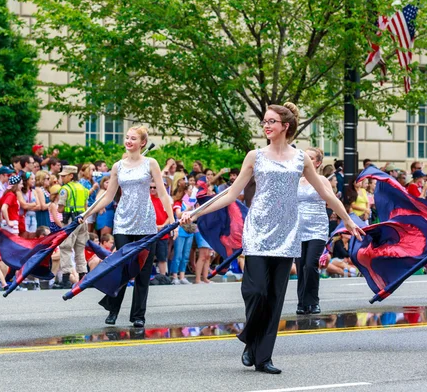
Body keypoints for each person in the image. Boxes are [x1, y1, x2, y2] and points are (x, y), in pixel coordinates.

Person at [181, 102, 363, 374]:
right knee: (255, 290)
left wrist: (348, 220)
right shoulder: (254, 156)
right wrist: (195, 213)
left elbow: (326, 195)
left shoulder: (300, 159)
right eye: (265, 121)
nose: (266, 125)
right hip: (257, 230)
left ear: (285, 126)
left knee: (275, 297)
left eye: (272, 121)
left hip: (288, 231)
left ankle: (263, 357)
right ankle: (250, 339)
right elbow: (232, 193)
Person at [82, 126, 176, 328]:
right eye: (127, 137)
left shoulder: (151, 163)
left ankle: (138, 315)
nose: (128, 141)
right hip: (123, 222)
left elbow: (162, 193)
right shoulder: (118, 166)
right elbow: (108, 197)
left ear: (142, 142)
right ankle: (113, 309)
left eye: (133, 138)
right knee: (122, 268)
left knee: (142, 271)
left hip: (146, 222)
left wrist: (171, 220)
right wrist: (86, 213)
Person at [296, 147, 329, 315]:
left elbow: (331, 201)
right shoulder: (296, 180)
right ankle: (302, 302)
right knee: (300, 265)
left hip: (317, 228)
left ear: (317, 163)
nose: (304, 160)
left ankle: (313, 301)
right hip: (298, 228)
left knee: (310, 265)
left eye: (309, 157)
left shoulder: (321, 180)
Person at [57, 165, 90, 288]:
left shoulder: (65, 189)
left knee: (65, 248)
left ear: (71, 176)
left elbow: (60, 209)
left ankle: (65, 279)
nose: (61, 178)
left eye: (63, 176)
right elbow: (86, 207)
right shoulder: (83, 188)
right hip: (82, 221)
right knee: (80, 249)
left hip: (70, 221)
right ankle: (83, 277)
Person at [150, 181, 170, 276]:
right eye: (151, 187)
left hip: (162, 233)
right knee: (148, 257)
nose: (152, 189)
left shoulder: (165, 199)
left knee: (162, 257)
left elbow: (170, 216)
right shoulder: (147, 199)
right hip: (149, 232)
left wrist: (162, 226)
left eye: (155, 187)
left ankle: (162, 277)